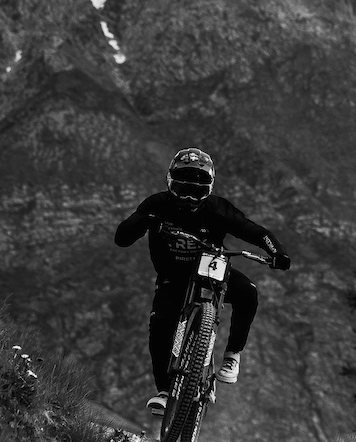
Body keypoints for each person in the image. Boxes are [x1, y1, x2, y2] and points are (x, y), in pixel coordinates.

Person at [115, 147, 291, 416]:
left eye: (196, 191)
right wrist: (143, 220)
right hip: (173, 277)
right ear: (171, 183)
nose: (188, 197)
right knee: (161, 323)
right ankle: (164, 391)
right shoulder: (156, 205)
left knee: (248, 293)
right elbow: (122, 238)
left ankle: (232, 355)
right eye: (183, 189)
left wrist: (277, 252)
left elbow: (256, 232)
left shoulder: (219, 209)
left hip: (212, 269)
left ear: (208, 188)